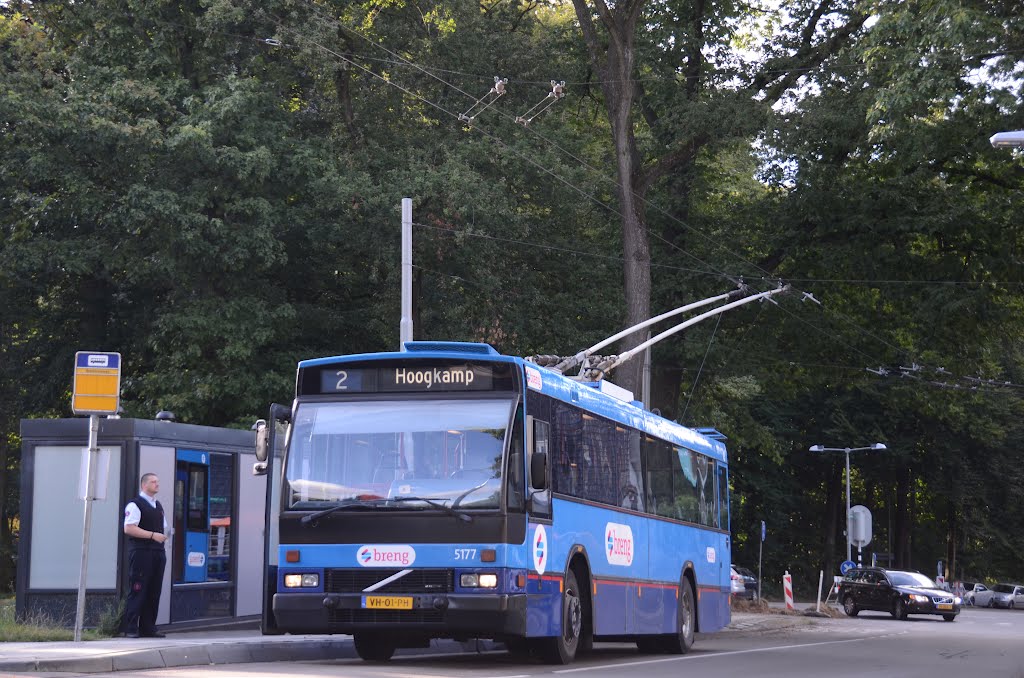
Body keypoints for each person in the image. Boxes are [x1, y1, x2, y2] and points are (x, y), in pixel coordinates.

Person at [121, 473, 168, 638]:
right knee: (138, 589)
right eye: (153, 482)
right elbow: (129, 528)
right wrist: (153, 535)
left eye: (158, 481)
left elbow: (164, 527)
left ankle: (148, 627)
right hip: (142, 552)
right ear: (144, 485)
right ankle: (131, 627)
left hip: (158, 552)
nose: (157, 484)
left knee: (154, 591)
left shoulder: (158, 505)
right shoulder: (135, 505)